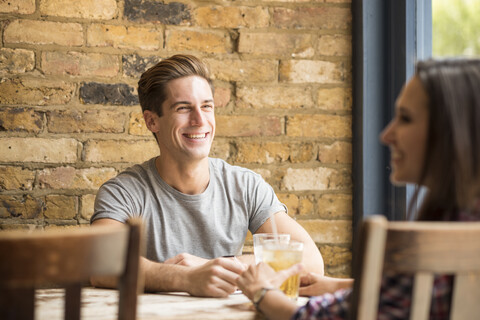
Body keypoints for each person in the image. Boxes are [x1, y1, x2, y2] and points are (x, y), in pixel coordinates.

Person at [236, 58, 480, 319]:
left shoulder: (434, 239)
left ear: (452, 131)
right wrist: (340, 285)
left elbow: (315, 318)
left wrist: (262, 292)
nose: (387, 135)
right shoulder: (464, 226)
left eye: (406, 118)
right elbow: (413, 294)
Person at [90, 54, 324, 298]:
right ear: (152, 121)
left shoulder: (245, 186)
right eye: (183, 108)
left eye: (206, 106)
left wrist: (217, 268)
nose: (200, 120)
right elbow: (101, 265)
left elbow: (310, 261)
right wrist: (186, 278)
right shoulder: (123, 192)